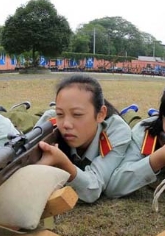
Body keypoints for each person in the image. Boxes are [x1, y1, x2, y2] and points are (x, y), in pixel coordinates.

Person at [35, 74, 132, 203]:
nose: (66, 124)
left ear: (100, 114)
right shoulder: (48, 123)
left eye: (77, 114)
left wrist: (63, 163)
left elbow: (93, 189)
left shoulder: (116, 131)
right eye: (60, 114)